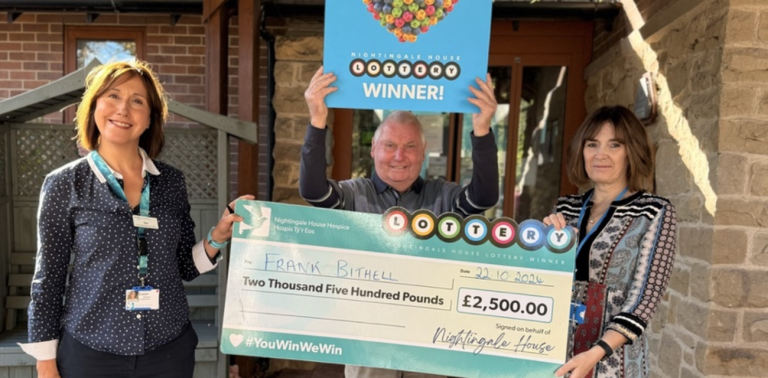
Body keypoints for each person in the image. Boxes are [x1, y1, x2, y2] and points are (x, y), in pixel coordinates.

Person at [21, 60, 253, 378]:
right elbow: (48, 278)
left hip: (168, 350)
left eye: (137, 101)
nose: (124, 109)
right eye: (113, 96)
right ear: (93, 107)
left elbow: (185, 266)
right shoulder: (65, 183)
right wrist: (46, 362)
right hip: (91, 352)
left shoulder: (171, 182)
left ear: (149, 119)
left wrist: (217, 237)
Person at [300, 66, 499, 378]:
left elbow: (484, 197)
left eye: (410, 147)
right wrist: (316, 119)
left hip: (431, 337)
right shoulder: (353, 194)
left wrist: (483, 130)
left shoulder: (443, 196)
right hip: (368, 340)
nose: (399, 156)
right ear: (374, 150)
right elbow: (313, 191)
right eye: (390, 145)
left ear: (422, 154)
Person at [543, 105, 677, 378]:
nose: (600, 154)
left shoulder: (653, 211)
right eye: (592, 144)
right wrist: (539, 243)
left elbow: (645, 299)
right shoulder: (565, 209)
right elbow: (542, 280)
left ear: (632, 151)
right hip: (552, 351)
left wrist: (596, 353)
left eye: (614, 145)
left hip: (612, 361)